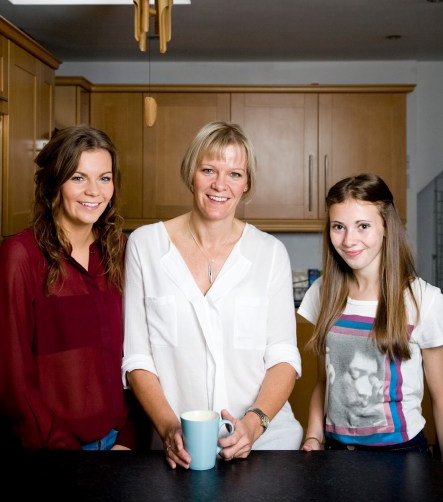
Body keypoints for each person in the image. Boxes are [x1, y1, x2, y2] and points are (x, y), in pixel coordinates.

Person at [122, 120, 303, 469]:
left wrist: (253, 425)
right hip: (180, 450)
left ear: (247, 183)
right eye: (209, 170)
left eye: (235, 174)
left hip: (267, 446)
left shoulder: (270, 253)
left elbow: (283, 357)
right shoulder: (145, 245)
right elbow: (137, 358)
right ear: (191, 173)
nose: (220, 184)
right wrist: (168, 428)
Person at [0, 125, 137, 450]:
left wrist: (128, 439)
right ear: (54, 182)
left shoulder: (121, 251)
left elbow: (137, 353)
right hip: (54, 451)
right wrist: (67, 454)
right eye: (78, 177)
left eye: (104, 178)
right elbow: (13, 380)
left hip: (120, 445)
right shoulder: (20, 256)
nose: (94, 191)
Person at [298, 173, 443, 458]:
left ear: (387, 226)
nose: (349, 240)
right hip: (337, 452)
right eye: (338, 227)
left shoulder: (424, 300)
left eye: (363, 226)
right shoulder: (323, 293)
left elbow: (441, 398)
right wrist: (313, 437)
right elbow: (325, 382)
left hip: (402, 454)